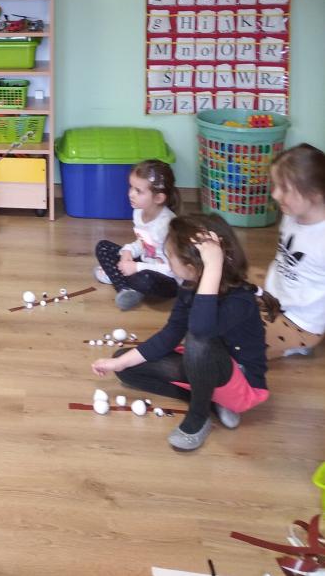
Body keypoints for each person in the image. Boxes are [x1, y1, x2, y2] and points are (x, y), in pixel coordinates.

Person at [91, 213, 268, 452]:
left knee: (198, 340)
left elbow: (201, 331)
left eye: (170, 256)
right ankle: (210, 402)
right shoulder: (189, 286)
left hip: (241, 384)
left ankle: (199, 415)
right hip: (203, 367)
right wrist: (120, 363)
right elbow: (170, 334)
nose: (167, 260)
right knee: (126, 367)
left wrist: (212, 265)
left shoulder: (240, 300)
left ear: (192, 267)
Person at [260, 143, 325, 358]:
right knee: (231, 278)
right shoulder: (290, 214)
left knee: (236, 331)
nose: (275, 194)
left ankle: (294, 344)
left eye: (285, 189)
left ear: (315, 194)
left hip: (300, 323)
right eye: (275, 185)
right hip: (276, 295)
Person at [94, 159, 180, 310]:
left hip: (166, 278)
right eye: (131, 187)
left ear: (158, 198)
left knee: (144, 280)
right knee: (102, 247)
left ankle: (120, 278)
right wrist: (129, 251)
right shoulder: (138, 212)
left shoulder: (167, 226)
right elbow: (144, 243)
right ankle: (125, 289)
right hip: (146, 261)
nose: (131, 194)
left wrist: (137, 267)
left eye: (138, 191)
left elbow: (174, 269)